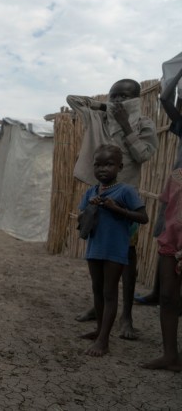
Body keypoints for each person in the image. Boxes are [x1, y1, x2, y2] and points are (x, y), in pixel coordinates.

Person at [67, 79, 157, 339]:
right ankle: (100, 310)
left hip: (126, 197)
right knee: (99, 257)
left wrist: (127, 125)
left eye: (124, 97)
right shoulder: (103, 119)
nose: (118, 101)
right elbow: (73, 98)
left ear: (136, 99)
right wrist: (106, 107)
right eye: (114, 95)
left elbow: (143, 155)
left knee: (127, 257)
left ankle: (126, 317)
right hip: (101, 193)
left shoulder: (144, 124)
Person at [77, 144, 148, 357]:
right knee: (97, 290)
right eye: (98, 165)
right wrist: (90, 206)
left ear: (120, 166)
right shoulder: (91, 191)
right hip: (95, 247)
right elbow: (81, 219)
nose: (102, 169)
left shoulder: (127, 191)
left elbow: (143, 218)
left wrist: (116, 208)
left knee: (109, 293)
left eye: (108, 164)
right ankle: (100, 330)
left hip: (116, 250)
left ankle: (104, 341)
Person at [134, 65, 182, 306]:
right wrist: (179, 72)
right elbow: (164, 97)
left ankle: (169, 297)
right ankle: (157, 292)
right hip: (177, 192)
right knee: (166, 239)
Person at [141, 167, 182, 371]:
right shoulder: (176, 176)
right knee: (167, 297)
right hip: (172, 241)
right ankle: (170, 354)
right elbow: (168, 208)